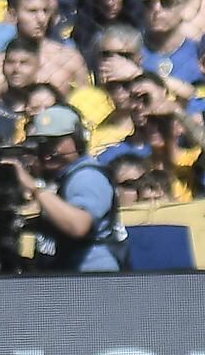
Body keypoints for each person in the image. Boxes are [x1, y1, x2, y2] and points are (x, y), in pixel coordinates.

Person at [13, 105, 128, 272]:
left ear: (78, 140)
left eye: (55, 142)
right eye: (42, 143)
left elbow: (78, 226)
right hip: (64, 277)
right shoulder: (57, 176)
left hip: (93, 278)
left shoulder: (87, 176)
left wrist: (34, 188)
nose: (48, 150)